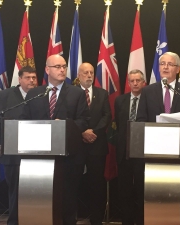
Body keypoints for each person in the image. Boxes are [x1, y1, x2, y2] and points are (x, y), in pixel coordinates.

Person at [21, 55, 90, 225]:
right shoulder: (35, 93)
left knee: (67, 198)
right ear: (47, 70)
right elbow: (25, 119)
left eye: (64, 66)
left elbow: (84, 121)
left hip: (68, 157)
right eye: (57, 66)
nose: (62, 70)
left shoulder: (77, 93)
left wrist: (65, 124)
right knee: (42, 198)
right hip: (38, 156)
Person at [136, 52, 180, 224]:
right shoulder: (148, 91)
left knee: (179, 195)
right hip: (153, 152)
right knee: (154, 194)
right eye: (162, 63)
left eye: (169, 64)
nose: (165, 67)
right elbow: (140, 119)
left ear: (178, 68)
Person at [0, 66, 38, 225]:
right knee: (14, 188)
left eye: (34, 77)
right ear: (19, 79)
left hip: (35, 149)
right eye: (28, 77)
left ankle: (32, 220)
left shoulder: (40, 94)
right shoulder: (5, 95)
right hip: (12, 149)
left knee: (33, 188)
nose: (31, 80)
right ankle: (14, 221)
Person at [77, 62, 111, 225]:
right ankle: (72, 216)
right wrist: (82, 132)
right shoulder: (72, 93)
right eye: (85, 73)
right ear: (79, 75)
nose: (89, 75)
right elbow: (68, 117)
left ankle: (96, 219)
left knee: (96, 184)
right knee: (73, 182)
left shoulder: (102, 93)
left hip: (97, 145)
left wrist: (93, 133)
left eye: (91, 72)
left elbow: (107, 116)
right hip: (76, 145)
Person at [115, 69, 146, 225]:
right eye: (132, 81)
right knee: (125, 192)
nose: (135, 83)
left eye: (138, 80)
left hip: (142, 153)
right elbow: (119, 126)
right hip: (124, 153)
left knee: (141, 191)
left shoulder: (149, 100)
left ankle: (140, 221)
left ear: (143, 82)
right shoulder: (120, 100)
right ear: (128, 83)